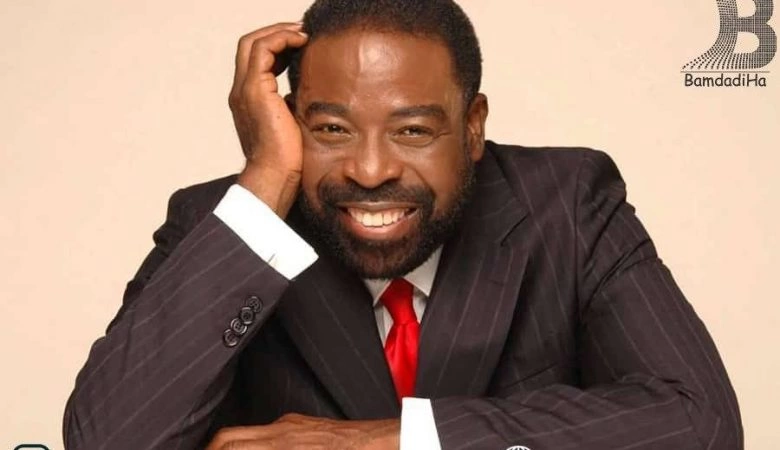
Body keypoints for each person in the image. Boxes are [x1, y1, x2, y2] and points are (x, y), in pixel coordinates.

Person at [62, 0, 743, 449]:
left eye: (412, 130)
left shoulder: (568, 206)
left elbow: (700, 425)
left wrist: (400, 439)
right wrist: (267, 176)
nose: (368, 170)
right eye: (330, 129)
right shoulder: (230, 226)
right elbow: (108, 441)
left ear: (472, 127)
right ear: (289, 122)